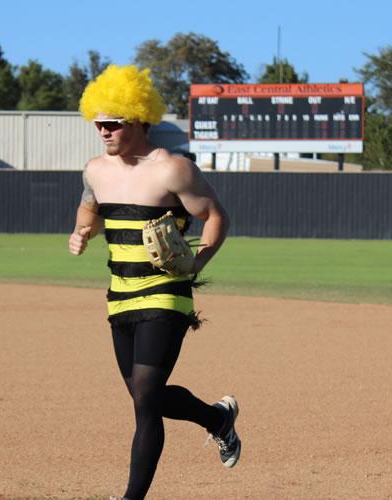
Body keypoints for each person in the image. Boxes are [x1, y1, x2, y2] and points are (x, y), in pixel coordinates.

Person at [68, 65, 241, 500]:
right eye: (98, 123)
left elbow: (216, 215)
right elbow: (88, 208)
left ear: (139, 119)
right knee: (145, 397)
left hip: (166, 292)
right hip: (120, 294)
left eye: (113, 123)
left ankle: (131, 498)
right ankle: (217, 419)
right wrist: (81, 232)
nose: (104, 131)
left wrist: (199, 259)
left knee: (146, 398)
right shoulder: (95, 170)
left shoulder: (173, 170)